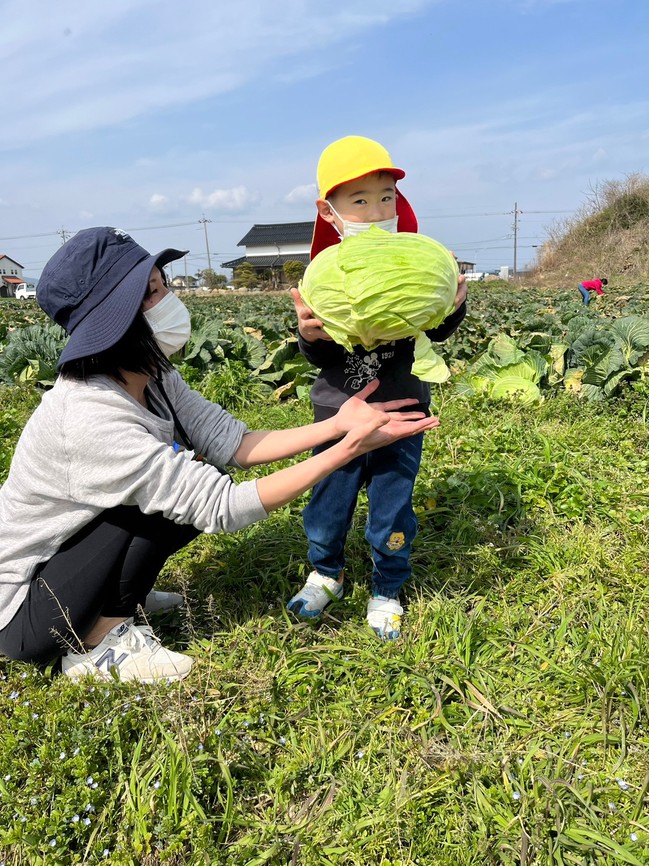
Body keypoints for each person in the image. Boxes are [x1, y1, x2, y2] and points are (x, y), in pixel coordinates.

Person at [0, 227, 440, 683]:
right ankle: (95, 642)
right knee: (163, 498)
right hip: (23, 610)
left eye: (162, 284)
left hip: (63, 566)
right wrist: (347, 449)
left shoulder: (149, 373)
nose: (169, 299)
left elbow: (231, 442)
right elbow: (223, 507)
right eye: (151, 293)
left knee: (183, 480)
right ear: (115, 318)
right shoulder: (89, 416)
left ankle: (110, 599)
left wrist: (335, 425)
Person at [287, 135, 467, 640]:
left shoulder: (418, 259)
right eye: (359, 201)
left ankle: (387, 586)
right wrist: (308, 334)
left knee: (393, 503)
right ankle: (327, 572)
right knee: (328, 500)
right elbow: (322, 354)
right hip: (337, 411)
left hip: (401, 409)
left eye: (385, 197)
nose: (376, 209)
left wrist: (451, 307)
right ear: (330, 211)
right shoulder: (323, 274)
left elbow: (433, 331)